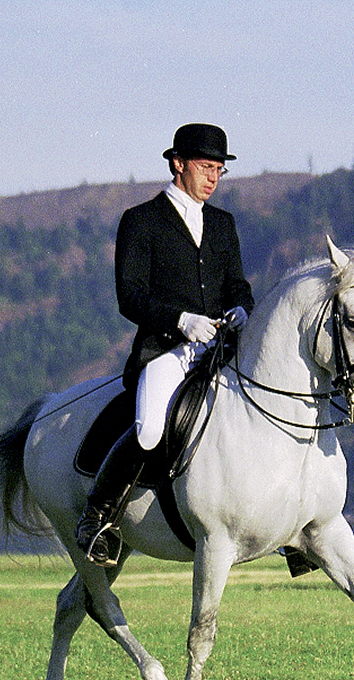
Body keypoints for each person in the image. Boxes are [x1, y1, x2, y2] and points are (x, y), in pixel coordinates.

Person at [75, 123, 255, 566]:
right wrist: (181, 320)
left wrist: (242, 309)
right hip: (165, 351)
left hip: (220, 350)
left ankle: (289, 528)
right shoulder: (141, 221)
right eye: (206, 167)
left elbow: (237, 284)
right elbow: (130, 296)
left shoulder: (222, 224)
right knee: (150, 428)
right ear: (178, 164)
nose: (213, 178)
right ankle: (98, 517)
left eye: (219, 170)